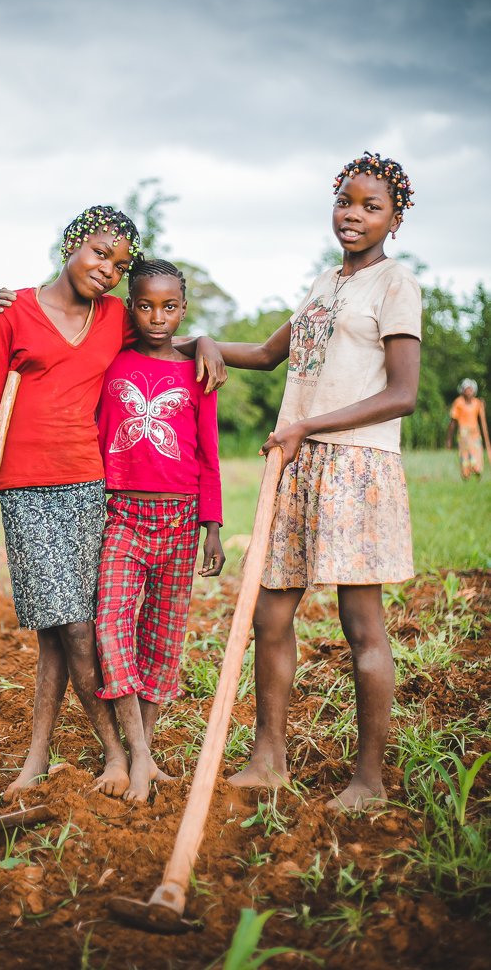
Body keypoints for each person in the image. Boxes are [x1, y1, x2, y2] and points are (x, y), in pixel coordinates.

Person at [0, 207, 225, 802]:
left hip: (90, 486)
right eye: (98, 254)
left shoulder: (113, 316)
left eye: (118, 264)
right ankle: (110, 751)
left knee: (72, 629)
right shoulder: (13, 313)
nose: (107, 271)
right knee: (65, 628)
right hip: (24, 489)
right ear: (71, 245)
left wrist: (207, 339)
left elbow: (164, 339)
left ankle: (64, 754)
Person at [214, 152, 422, 810]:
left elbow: (404, 392)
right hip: (296, 463)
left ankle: (368, 781)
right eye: (345, 201)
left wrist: (312, 426)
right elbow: (271, 356)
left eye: (371, 206)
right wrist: (197, 344)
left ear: (395, 217)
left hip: (356, 464)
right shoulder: (323, 287)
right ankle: (268, 758)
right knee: (269, 616)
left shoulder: (395, 284)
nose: (353, 215)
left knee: (362, 624)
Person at [94, 259, 225, 802]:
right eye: (145, 305)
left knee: (163, 639)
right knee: (111, 623)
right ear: (130, 306)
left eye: (169, 307)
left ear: (183, 310)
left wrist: (212, 526)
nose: (156, 316)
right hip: (122, 514)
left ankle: (142, 747)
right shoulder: (112, 360)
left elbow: (209, 455)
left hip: (180, 519)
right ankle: (138, 755)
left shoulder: (198, 373)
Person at [447, 379, 489, 479]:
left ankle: (478, 471)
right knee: (465, 455)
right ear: (462, 390)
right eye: (466, 389)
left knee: (477, 453)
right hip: (463, 433)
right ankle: (466, 475)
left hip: (475, 433)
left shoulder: (478, 403)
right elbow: (453, 422)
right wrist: (449, 439)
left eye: (470, 390)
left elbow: (482, 421)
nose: (468, 392)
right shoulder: (458, 403)